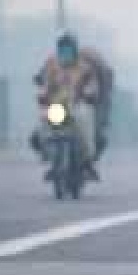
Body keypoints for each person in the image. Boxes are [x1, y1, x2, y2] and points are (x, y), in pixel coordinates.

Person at [32, 32, 100, 179]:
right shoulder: (51, 64)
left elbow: (92, 84)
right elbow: (44, 82)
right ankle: (47, 154)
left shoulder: (84, 67)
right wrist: (42, 94)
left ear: (74, 50)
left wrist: (89, 93)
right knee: (43, 122)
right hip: (57, 105)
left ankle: (87, 158)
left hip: (77, 104)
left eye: (68, 50)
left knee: (85, 119)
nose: (65, 53)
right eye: (62, 50)